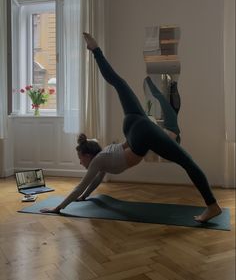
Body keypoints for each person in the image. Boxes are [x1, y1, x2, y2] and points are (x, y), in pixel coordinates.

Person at [40, 32, 222, 222]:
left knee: (188, 162)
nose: (80, 163)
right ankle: (95, 50)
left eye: (79, 159)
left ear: (88, 156)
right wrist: (84, 197)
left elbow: (81, 185)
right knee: (120, 83)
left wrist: (58, 207)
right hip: (134, 124)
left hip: (139, 135)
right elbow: (94, 182)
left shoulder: (98, 162)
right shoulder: (102, 161)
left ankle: (213, 206)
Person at [144, 76, 181, 143]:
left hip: (171, 127)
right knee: (162, 98)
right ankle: (174, 85)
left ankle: (173, 85)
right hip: (172, 126)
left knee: (161, 98)